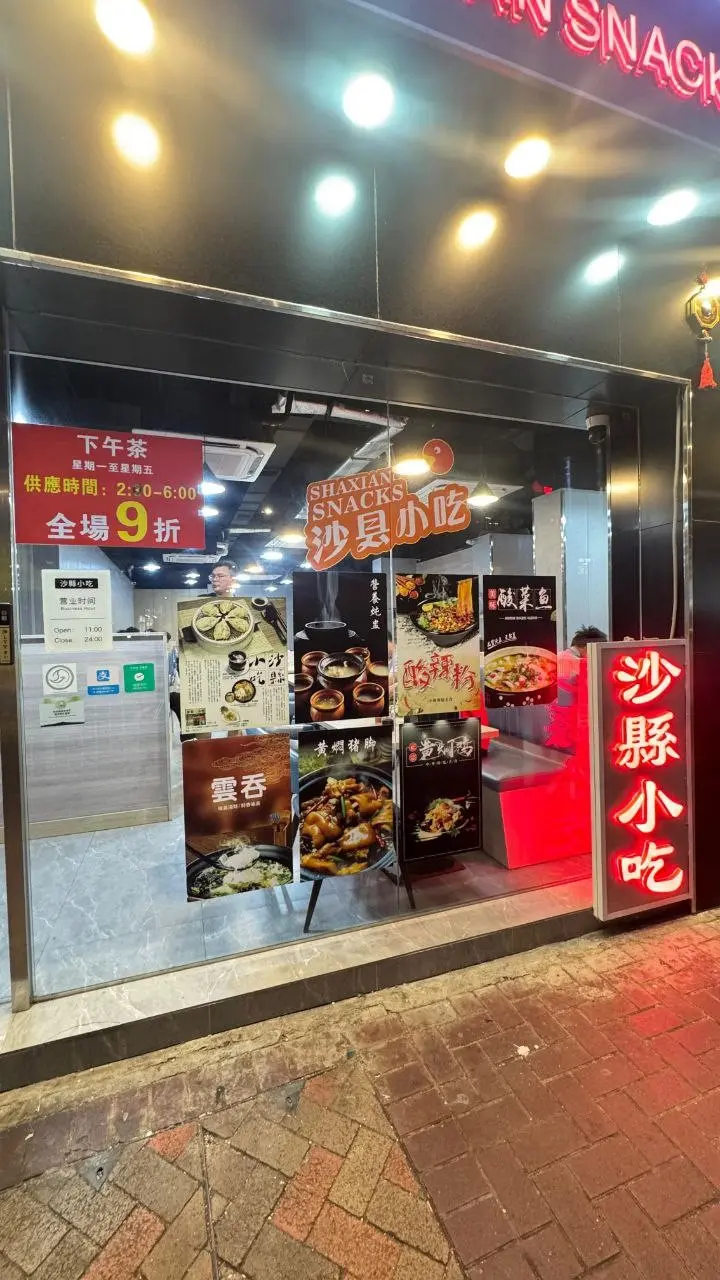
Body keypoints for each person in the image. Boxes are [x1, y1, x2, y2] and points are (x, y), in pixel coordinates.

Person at [546, 625, 607, 753]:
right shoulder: (577, 662)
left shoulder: (558, 656)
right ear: (587, 647)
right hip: (571, 717)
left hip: (556, 716)